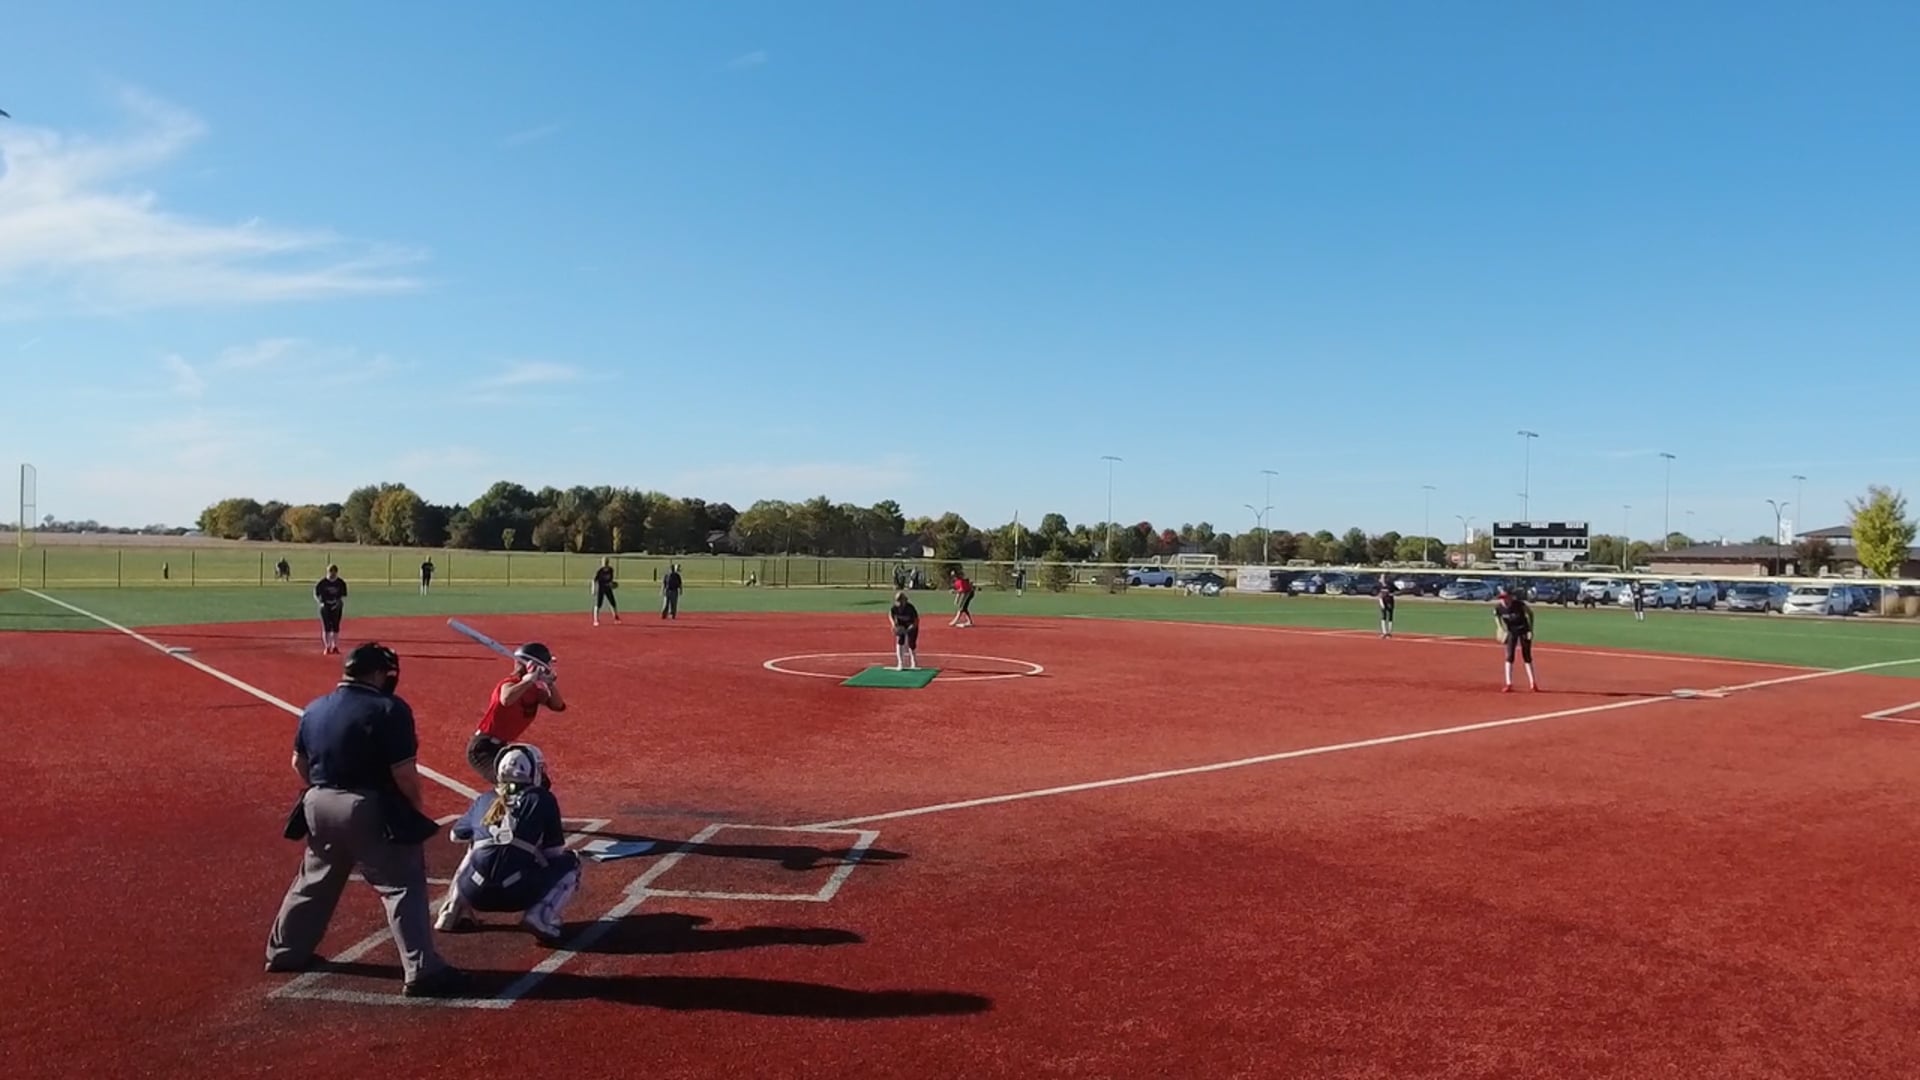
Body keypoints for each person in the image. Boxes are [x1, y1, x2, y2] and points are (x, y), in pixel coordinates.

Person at [264, 643, 466, 997]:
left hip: (318, 803)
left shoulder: (315, 707)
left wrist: (324, 791)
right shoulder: (389, 708)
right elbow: (404, 773)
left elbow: (299, 763)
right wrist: (412, 809)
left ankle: (285, 952)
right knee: (402, 885)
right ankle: (422, 970)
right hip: (368, 806)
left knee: (313, 881)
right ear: (377, 674)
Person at [435, 743, 581, 945]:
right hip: (517, 893)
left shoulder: (484, 799)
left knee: (474, 847)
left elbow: (456, 835)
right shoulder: (542, 799)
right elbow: (554, 852)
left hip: (474, 892)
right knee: (571, 863)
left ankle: (451, 910)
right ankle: (539, 916)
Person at [466, 642, 567, 785]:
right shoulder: (509, 683)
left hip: (501, 747)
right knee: (514, 783)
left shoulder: (534, 691)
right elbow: (506, 699)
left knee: (540, 782)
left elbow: (558, 706)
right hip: (483, 748)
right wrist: (528, 680)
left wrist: (550, 684)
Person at [1493, 586, 1540, 693]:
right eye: (1501, 598)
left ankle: (1533, 683)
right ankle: (1509, 683)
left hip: (1524, 630)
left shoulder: (1519, 605)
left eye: (1505, 597)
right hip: (1511, 632)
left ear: (1510, 597)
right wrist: (1500, 628)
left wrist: (1531, 629)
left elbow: (1530, 613)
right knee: (1509, 656)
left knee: (1526, 656)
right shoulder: (1499, 608)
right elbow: (1497, 616)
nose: (1503, 600)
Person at [314, 564, 348, 655]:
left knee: (336, 626)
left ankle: (335, 646)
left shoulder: (340, 583)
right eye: (330, 572)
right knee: (326, 627)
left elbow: (343, 595)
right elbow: (317, 594)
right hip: (325, 607)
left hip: (336, 606)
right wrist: (321, 602)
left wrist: (338, 603)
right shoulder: (322, 583)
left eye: (334, 572)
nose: (332, 574)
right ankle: (327, 646)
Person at [890, 590, 920, 670]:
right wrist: (894, 624)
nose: (900, 603)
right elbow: (891, 615)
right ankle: (900, 663)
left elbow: (916, 620)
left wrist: (911, 627)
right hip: (901, 625)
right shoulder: (894, 608)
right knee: (900, 641)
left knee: (911, 643)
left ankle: (914, 661)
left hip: (911, 625)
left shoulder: (910, 608)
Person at [591, 558, 619, 626]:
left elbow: (610, 580)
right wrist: (593, 589)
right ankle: (595, 620)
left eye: (605, 562)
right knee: (598, 604)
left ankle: (616, 617)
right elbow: (594, 580)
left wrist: (612, 584)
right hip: (601, 589)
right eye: (603, 562)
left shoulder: (610, 570)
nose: (604, 563)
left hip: (608, 588)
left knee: (613, 602)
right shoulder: (600, 571)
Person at [1375, 573, 1397, 638]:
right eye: (1381, 577)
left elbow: (1396, 591)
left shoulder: (1390, 585)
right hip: (1383, 601)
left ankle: (1389, 632)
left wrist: (1392, 594)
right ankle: (1384, 632)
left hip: (1390, 602)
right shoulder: (1379, 586)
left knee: (1390, 616)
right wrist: (1380, 602)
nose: (1382, 579)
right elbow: (1379, 594)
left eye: (1383, 577)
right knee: (1383, 616)